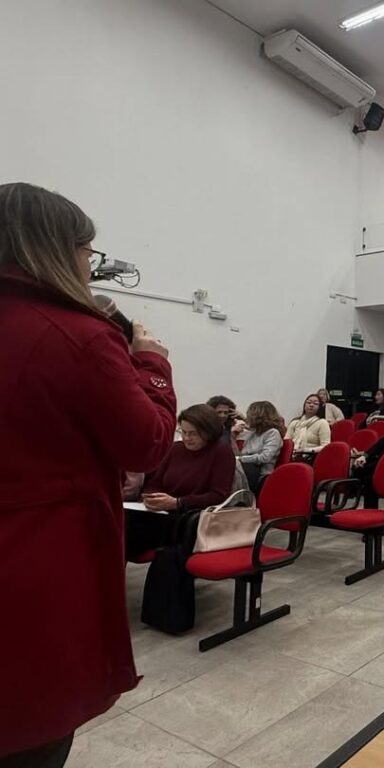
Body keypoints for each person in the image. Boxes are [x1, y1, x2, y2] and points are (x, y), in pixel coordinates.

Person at [0, 182, 176, 766]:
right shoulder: (76, 334)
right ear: (56, 248)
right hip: (38, 556)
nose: (89, 265)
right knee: (33, 727)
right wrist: (151, 361)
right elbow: (148, 443)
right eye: (88, 252)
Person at [125, 404, 236, 560]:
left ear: (208, 432)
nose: (186, 438)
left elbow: (218, 495)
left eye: (193, 434)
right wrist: (151, 496)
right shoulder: (176, 449)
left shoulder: (221, 452)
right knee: (121, 521)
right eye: (183, 432)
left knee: (128, 531)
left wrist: (177, 502)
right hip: (163, 511)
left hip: (192, 516)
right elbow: (155, 482)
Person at [233, 400, 285, 493]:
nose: (248, 417)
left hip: (260, 474)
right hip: (246, 470)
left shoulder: (272, 433)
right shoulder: (254, 433)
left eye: (250, 415)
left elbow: (264, 458)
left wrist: (239, 459)